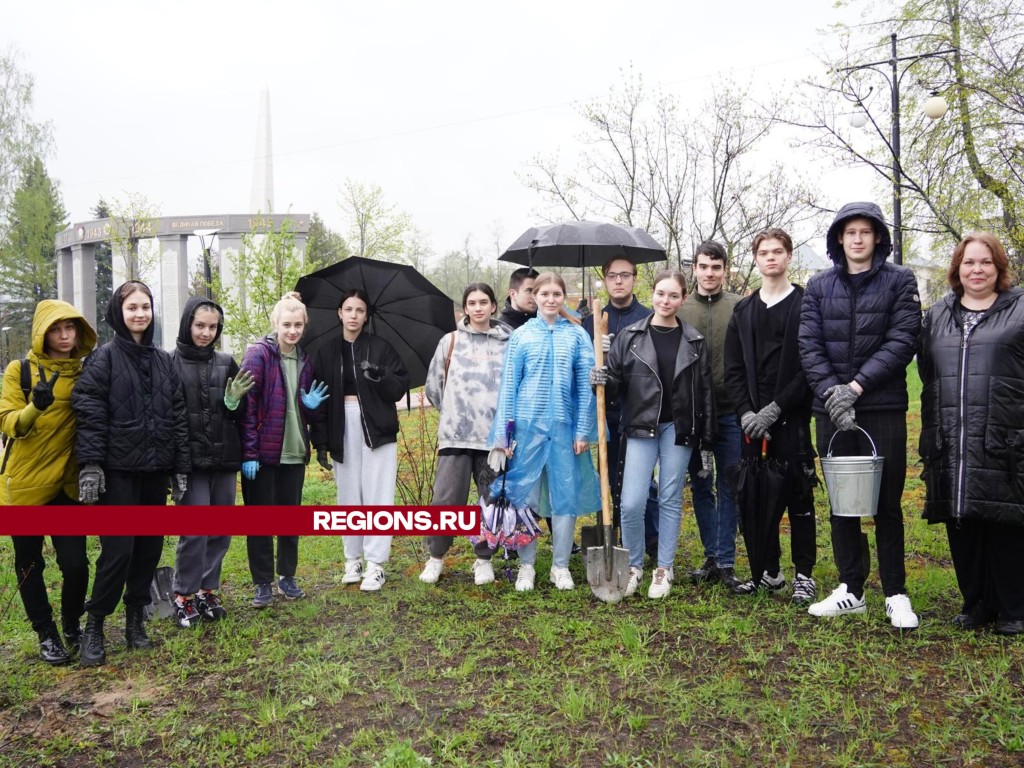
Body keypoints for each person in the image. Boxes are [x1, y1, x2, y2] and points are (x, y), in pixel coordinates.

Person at [798, 202, 922, 630]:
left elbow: (903, 338)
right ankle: (851, 588)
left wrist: (857, 387)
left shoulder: (900, 281)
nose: (856, 239)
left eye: (865, 232)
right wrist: (834, 392)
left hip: (881, 405)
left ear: (878, 238)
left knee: (885, 502)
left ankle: (896, 593)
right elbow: (808, 345)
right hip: (830, 410)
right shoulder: (817, 286)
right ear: (838, 239)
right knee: (842, 503)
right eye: (849, 232)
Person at [72, 281, 191, 666]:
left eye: (145, 307)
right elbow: (89, 413)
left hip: (154, 473)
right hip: (118, 473)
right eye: (132, 307)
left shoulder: (163, 361)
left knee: (147, 551)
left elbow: (177, 417)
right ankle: (95, 625)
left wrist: (179, 468)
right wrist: (90, 465)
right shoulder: (102, 359)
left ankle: (135, 620)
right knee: (118, 553)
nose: (140, 314)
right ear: (118, 313)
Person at [918, 232, 1024, 636]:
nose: (976, 270)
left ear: (999, 268)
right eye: (969, 263)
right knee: (961, 519)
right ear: (956, 269)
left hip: (1006, 433)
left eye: (985, 263)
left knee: (1006, 522)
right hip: (950, 431)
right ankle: (976, 603)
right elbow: (926, 372)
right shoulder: (937, 316)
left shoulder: (1019, 310)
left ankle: (1014, 607)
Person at [592, 269, 714, 598]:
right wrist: (601, 379)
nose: (666, 301)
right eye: (661, 293)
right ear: (653, 293)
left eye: (674, 295)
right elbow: (615, 386)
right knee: (631, 502)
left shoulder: (694, 341)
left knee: (671, 498)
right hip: (640, 426)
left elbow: (704, 393)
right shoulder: (629, 337)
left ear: (683, 298)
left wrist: (706, 438)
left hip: (678, 429)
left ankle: (664, 568)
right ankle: (633, 566)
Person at [487, 272, 600, 592]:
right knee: (526, 497)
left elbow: (585, 387)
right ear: (534, 297)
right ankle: (527, 566)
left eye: (557, 294)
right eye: (545, 294)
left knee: (565, 497)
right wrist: (503, 437)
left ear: (563, 298)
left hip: (564, 432)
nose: (551, 299)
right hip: (527, 430)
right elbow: (509, 386)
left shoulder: (577, 336)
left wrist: (582, 431)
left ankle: (560, 566)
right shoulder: (522, 337)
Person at [724, 228, 818, 603]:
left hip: (790, 420)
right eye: (764, 252)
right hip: (751, 426)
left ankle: (804, 575)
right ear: (756, 258)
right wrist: (747, 412)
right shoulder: (744, 310)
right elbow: (731, 369)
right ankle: (767, 572)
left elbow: (810, 366)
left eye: (778, 251)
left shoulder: (806, 305)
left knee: (798, 498)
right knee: (755, 498)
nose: (771, 258)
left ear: (789, 257)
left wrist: (776, 409)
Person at [2, 300, 96, 664]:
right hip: (25, 486)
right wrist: (35, 406)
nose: (64, 335)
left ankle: (72, 624)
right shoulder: (20, 371)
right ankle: (46, 633)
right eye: (56, 329)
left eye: (70, 328)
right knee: (29, 565)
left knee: (75, 565)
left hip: (66, 487)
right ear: (43, 333)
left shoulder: (86, 372)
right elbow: (10, 423)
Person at [311, 288, 409, 592]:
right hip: (342, 425)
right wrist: (322, 441)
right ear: (340, 313)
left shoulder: (381, 347)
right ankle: (351, 560)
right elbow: (321, 401)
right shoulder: (326, 352)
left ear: (367, 316)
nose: (354, 315)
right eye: (349, 309)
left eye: (360, 310)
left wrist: (380, 376)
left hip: (377, 429)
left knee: (378, 495)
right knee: (349, 495)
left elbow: (399, 389)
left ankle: (376, 565)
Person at [169, 297, 254, 628]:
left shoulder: (225, 362)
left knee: (220, 528)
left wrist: (233, 403)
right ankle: (183, 594)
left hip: (223, 458)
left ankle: (207, 589)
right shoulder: (169, 363)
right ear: (188, 324)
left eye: (212, 327)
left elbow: (240, 413)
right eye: (200, 325)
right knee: (195, 530)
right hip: (189, 463)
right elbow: (167, 415)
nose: (206, 332)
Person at [241, 292, 327, 608]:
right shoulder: (258, 355)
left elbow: (308, 407)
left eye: (298, 325)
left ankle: (287, 577)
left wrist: (312, 409)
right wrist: (249, 453)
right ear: (275, 323)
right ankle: (262, 583)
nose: (292, 331)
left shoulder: (305, 360)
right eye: (287, 324)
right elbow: (247, 408)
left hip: (293, 450)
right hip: (263, 455)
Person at [419, 283, 508, 586]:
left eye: (484, 302)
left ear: (493, 306)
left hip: (492, 441)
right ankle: (436, 558)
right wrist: (456, 413)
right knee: (445, 501)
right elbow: (434, 386)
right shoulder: (450, 341)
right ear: (465, 308)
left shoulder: (507, 342)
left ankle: (483, 559)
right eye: (472, 302)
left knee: (490, 501)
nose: (479, 307)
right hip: (455, 437)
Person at [583, 256, 659, 558]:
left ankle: (650, 538)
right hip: (605, 413)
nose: (618, 281)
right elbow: (581, 368)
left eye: (624, 275)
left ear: (634, 279)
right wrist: (594, 353)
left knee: (642, 482)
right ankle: (611, 536)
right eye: (612, 275)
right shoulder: (592, 320)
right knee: (608, 475)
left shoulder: (648, 317)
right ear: (605, 278)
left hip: (639, 412)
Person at [678, 241, 742, 589]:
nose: (710, 273)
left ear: (725, 270)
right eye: (704, 266)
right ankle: (711, 556)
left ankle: (727, 561)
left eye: (716, 268)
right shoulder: (680, 308)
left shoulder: (738, 306)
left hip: (731, 411)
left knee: (729, 485)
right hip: (694, 415)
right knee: (701, 486)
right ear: (695, 268)